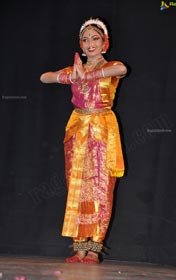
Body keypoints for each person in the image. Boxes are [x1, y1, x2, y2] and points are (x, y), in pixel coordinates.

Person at [40, 17, 127, 264]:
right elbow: (44, 77)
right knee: (77, 187)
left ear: (104, 44)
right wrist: (69, 78)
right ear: (81, 44)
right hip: (78, 131)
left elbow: (121, 70)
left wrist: (89, 77)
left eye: (95, 38)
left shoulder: (112, 65)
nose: (90, 43)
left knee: (101, 189)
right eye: (86, 39)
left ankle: (94, 248)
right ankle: (79, 248)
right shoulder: (74, 69)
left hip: (101, 130)